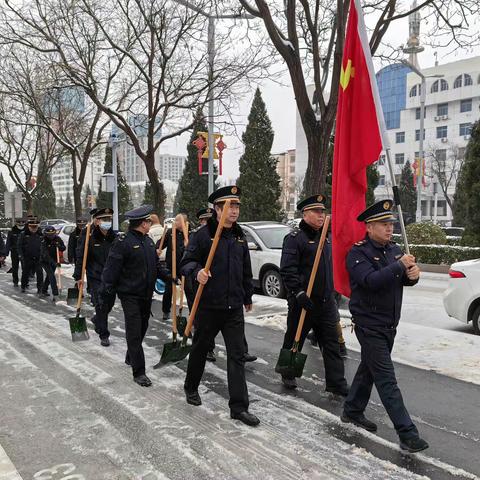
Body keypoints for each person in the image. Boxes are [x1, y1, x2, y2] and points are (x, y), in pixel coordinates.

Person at [341, 200, 429, 453]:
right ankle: (407, 433)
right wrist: (399, 266)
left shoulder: (394, 249)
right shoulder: (358, 253)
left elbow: (400, 279)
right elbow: (370, 281)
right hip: (369, 324)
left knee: (369, 369)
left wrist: (413, 276)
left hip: (389, 323)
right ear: (369, 227)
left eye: (391, 224)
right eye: (383, 224)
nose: (389, 228)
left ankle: (352, 410)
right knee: (386, 379)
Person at [180, 186, 260, 427]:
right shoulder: (203, 236)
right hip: (209, 306)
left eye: (236, 206)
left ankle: (238, 407)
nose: (234, 211)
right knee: (201, 348)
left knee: (237, 355)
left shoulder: (239, 236)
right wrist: (197, 272)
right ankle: (191, 386)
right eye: (229, 206)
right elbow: (187, 263)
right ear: (217, 209)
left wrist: (247, 296)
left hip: (233, 307)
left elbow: (245, 269)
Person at [279, 194, 348, 395]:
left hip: (325, 302)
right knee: (295, 338)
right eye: (316, 211)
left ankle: (337, 383)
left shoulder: (324, 237)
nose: (321, 215)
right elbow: (288, 269)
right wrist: (298, 293)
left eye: (322, 211)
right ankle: (288, 372)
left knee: (332, 344)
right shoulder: (295, 239)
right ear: (305, 214)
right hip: (303, 302)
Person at [101, 205, 164, 386]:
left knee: (143, 328)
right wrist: (107, 290)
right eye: (148, 221)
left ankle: (131, 356)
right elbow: (111, 269)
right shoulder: (123, 243)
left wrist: (170, 278)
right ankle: (139, 372)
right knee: (134, 332)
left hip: (146, 295)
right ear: (142, 223)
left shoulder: (148, 241)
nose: (150, 224)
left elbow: (155, 266)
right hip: (130, 295)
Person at [74, 208, 117, 347]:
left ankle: (97, 318)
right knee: (101, 303)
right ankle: (103, 334)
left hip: (110, 277)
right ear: (97, 221)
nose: (107, 222)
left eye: (109, 219)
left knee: (109, 303)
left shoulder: (113, 236)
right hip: (95, 275)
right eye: (104, 219)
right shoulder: (88, 234)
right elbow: (80, 255)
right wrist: (79, 275)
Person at [161, 213, 188, 320]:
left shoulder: (189, 233)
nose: (175, 222)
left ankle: (192, 314)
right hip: (171, 267)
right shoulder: (170, 232)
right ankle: (166, 311)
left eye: (177, 220)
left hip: (185, 268)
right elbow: (161, 244)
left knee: (189, 290)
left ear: (184, 222)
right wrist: (158, 248)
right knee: (168, 290)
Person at [40, 225, 66, 301]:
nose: (51, 236)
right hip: (45, 261)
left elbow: (63, 248)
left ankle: (44, 290)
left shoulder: (57, 239)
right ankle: (55, 294)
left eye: (52, 234)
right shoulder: (43, 241)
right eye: (49, 235)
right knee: (51, 276)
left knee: (49, 277)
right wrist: (54, 263)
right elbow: (45, 255)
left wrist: (59, 246)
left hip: (55, 260)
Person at [18, 216, 43, 294]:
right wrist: (21, 255)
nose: (34, 229)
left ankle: (40, 288)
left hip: (38, 257)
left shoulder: (41, 233)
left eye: (35, 227)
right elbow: (19, 245)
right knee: (25, 272)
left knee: (40, 273)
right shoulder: (24, 234)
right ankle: (23, 286)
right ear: (29, 226)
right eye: (32, 227)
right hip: (27, 257)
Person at [5, 218, 25, 286]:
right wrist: (6, 252)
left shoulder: (26, 231)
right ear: (16, 223)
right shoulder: (12, 231)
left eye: (22, 222)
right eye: (19, 222)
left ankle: (25, 281)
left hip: (24, 252)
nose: (21, 224)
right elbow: (8, 242)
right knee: (15, 267)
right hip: (14, 252)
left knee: (25, 267)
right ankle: (15, 281)